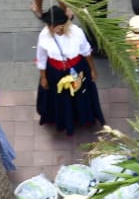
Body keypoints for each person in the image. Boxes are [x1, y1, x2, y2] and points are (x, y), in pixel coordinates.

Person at [35, 8, 104, 136]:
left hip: (77, 70)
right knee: (59, 97)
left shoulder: (77, 32)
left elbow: (86, 52)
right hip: (54, 72)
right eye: (49, 25)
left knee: (80, 94)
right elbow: (41, 57)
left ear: (62, 25)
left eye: (52, 25)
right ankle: (62, 121)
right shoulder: (44, 35)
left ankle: (82, 117)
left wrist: (92, 70)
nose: (49, 28)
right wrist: (43, 77)